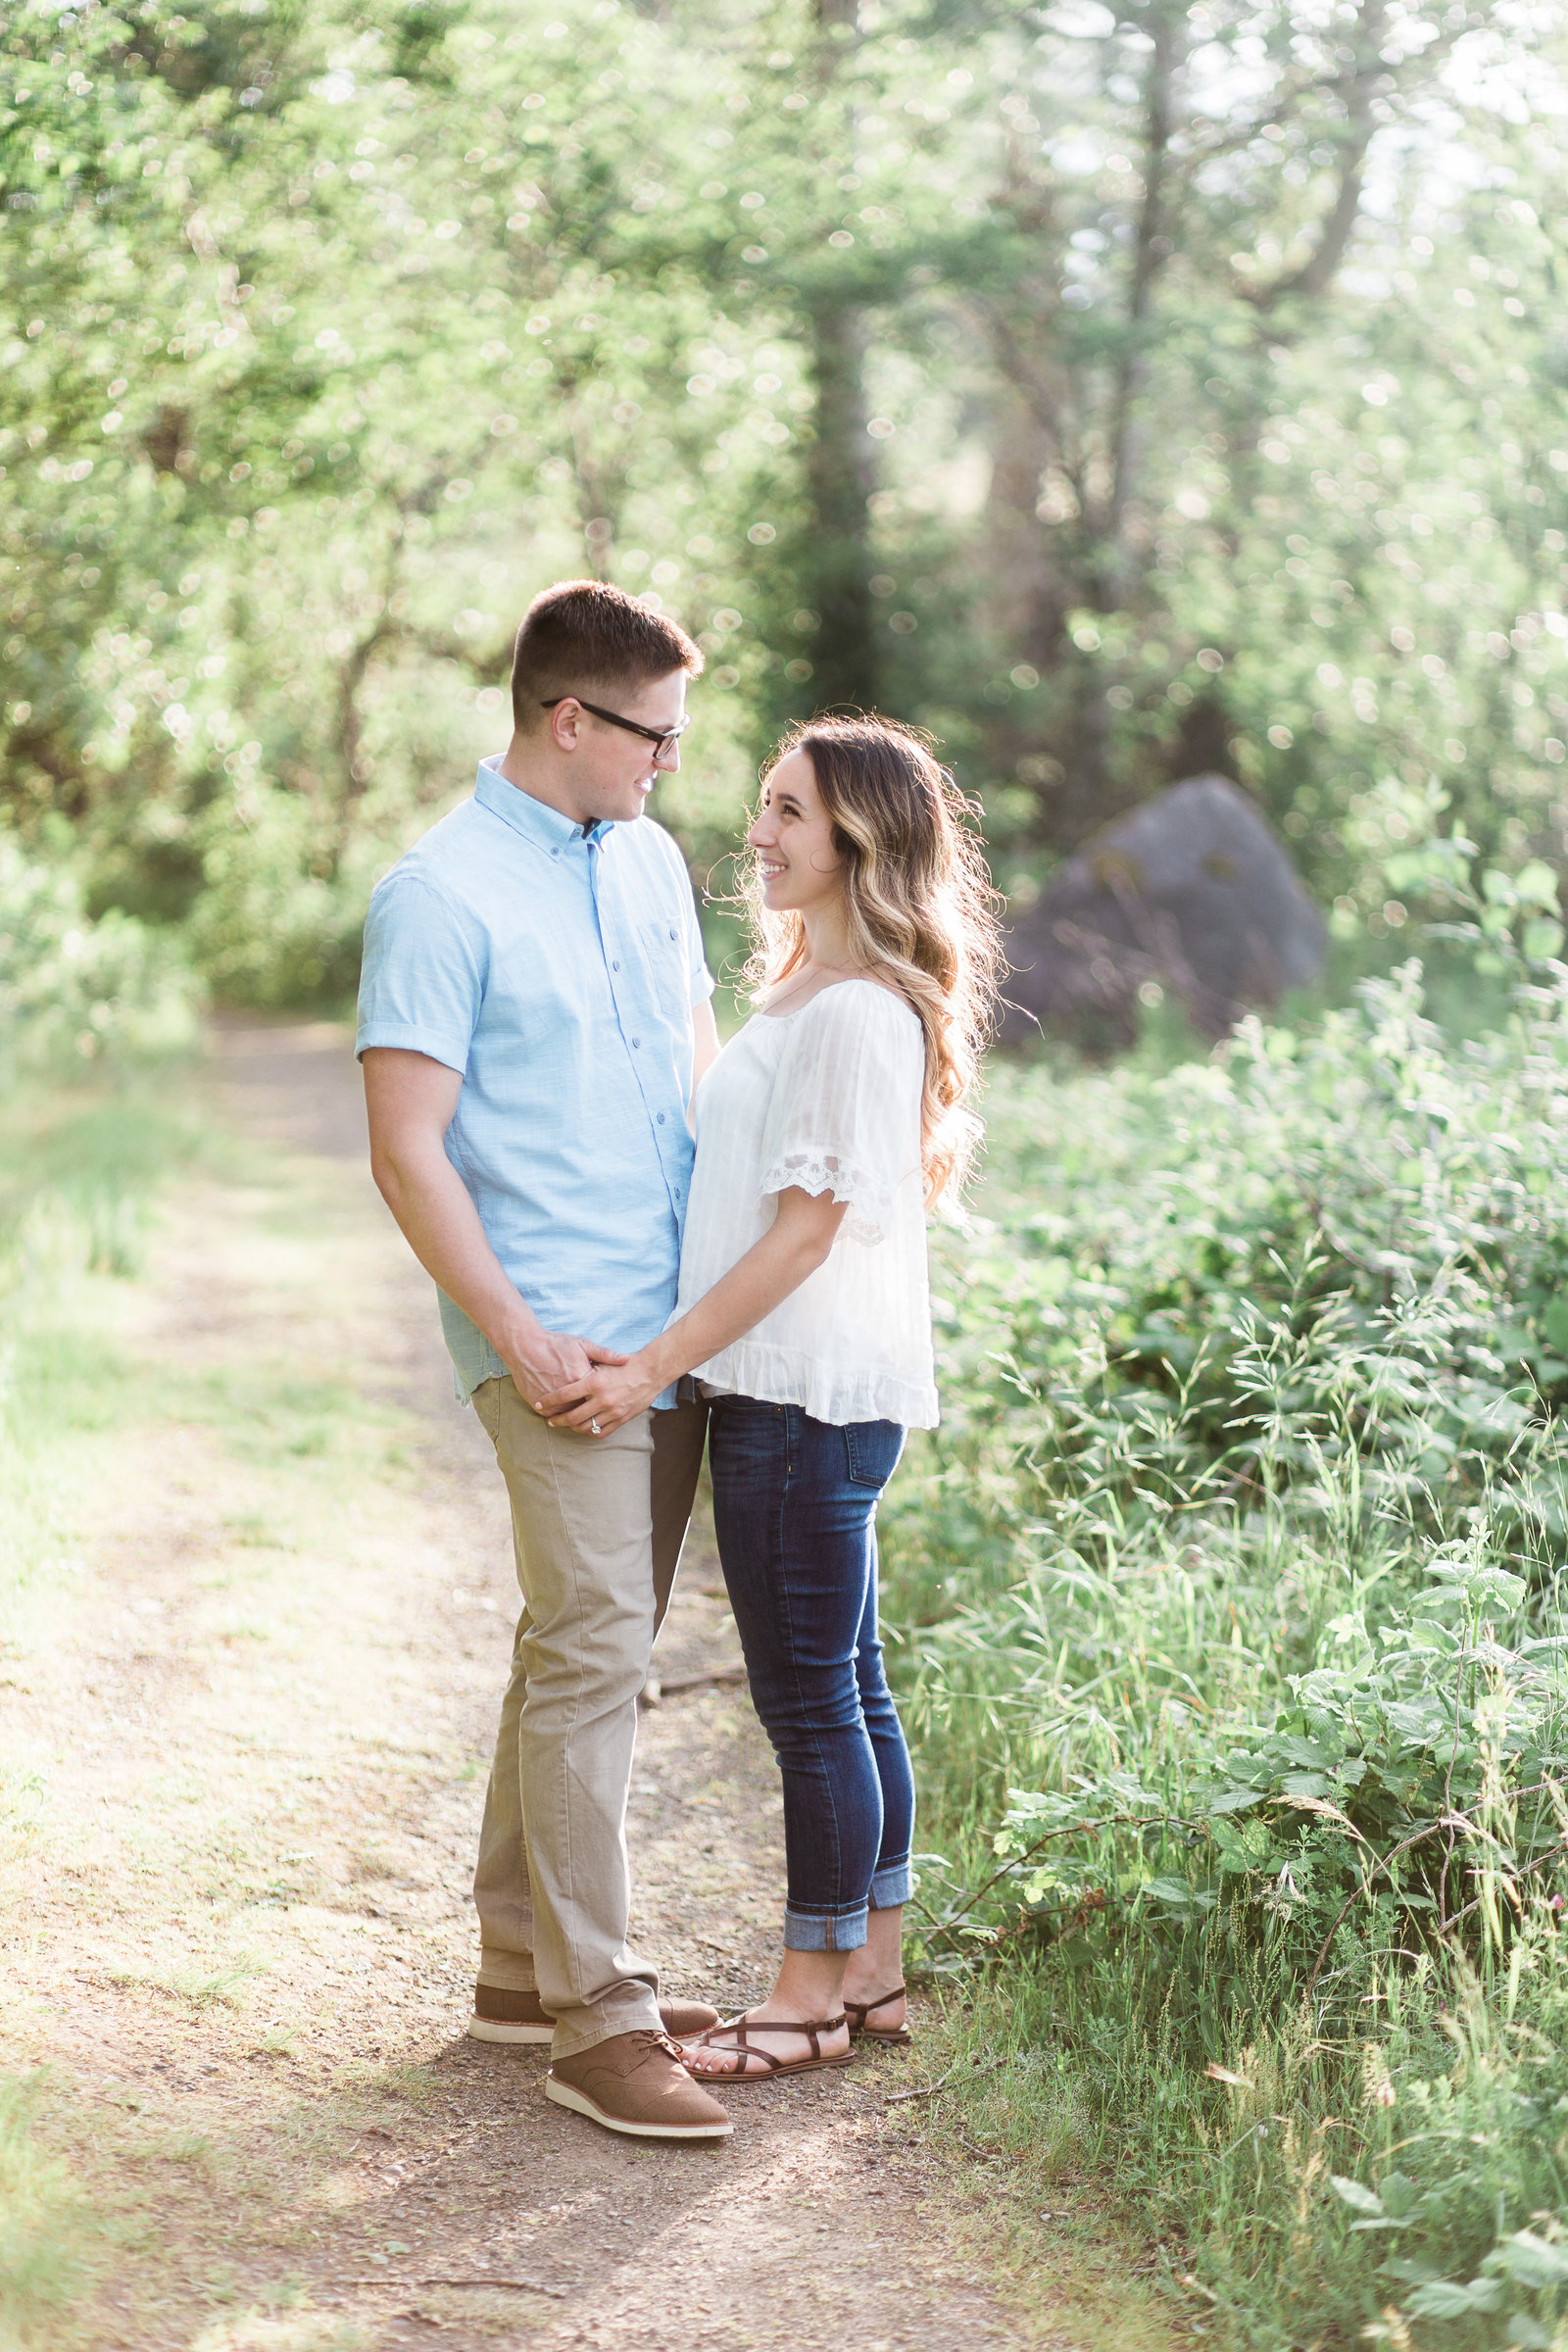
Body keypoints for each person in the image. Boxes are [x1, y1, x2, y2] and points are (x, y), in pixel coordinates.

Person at [537, 714, 1000, 2081]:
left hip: (798, 1400)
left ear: (862, 840)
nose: (760, 833)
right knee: (849, 1686)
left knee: (808, 1704)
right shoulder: (810, 989)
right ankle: (875, 1971)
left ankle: (806, 1998)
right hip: (796, 1394)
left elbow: (801, 1234)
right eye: (764, 804)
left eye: (790, 812)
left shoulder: (858, 1013)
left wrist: (652, 1368)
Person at [356, 579, 736, 2143]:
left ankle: (520, 1964)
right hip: (554, 1334)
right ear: (568, 719)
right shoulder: (437, 896)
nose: (670, 765)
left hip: (669, 1329)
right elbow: (407, 1150)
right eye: (653, 736)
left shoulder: (648, 862)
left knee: (586, 1630)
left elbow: (703, 1070)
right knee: (595, 1645)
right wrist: (514, 1335)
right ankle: (602, 2011)